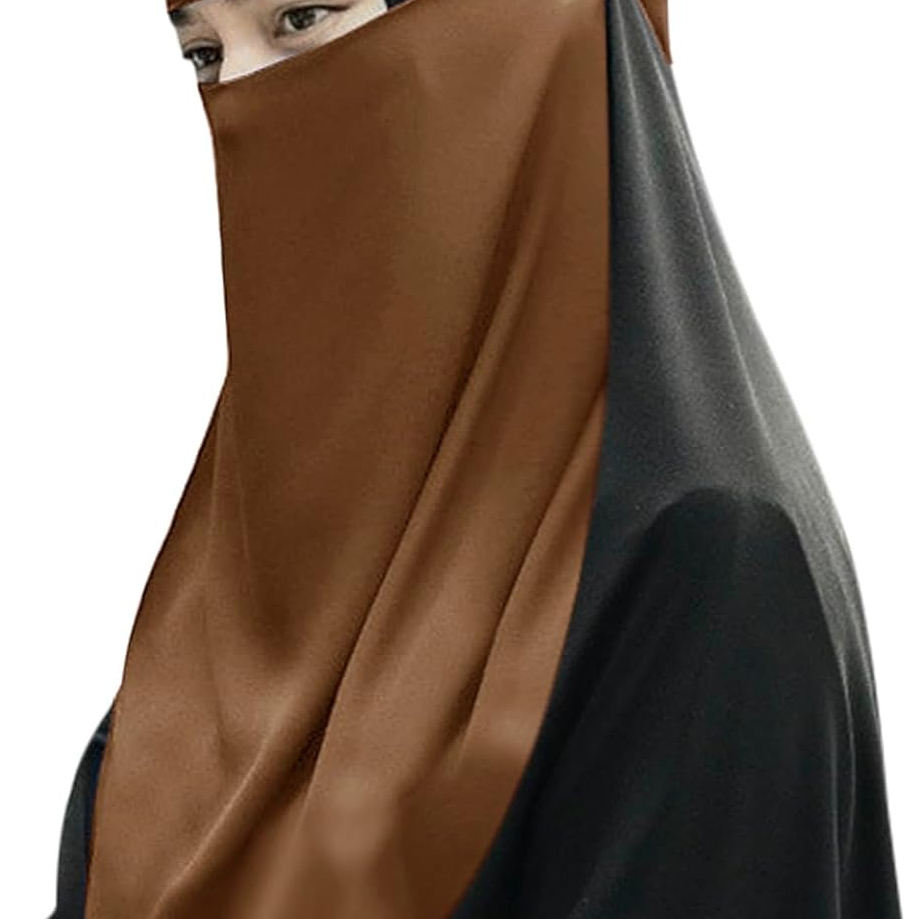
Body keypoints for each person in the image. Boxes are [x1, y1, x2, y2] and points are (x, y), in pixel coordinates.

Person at [48, 0, 903, 916]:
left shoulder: (702, 566)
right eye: (204, 54)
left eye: (301, 16)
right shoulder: (253, 567)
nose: (244, 97)